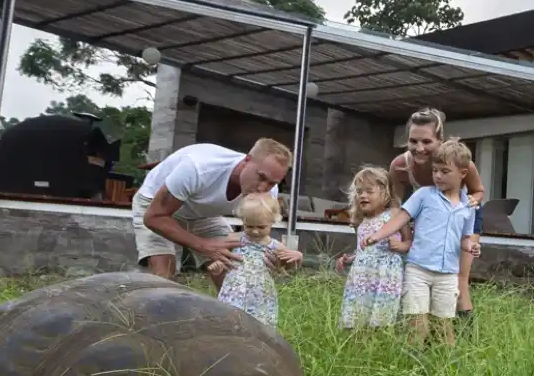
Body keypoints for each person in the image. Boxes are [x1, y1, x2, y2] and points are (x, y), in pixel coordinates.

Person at [133, 137, 301, 290]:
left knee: (232, 271)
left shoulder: (269, 192)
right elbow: (153, 217)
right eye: (261, 177)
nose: (263, 188)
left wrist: (275, 256)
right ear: (246, 160)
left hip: (204, 213)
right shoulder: (198, 168)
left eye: (272, 183)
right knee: (164, 277)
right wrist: (203, 246)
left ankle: (232, 319)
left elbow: (258, 236)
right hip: (156, 207)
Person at [362, 139, 482, 345]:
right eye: (435, 170)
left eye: (445, 171)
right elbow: (401, 217)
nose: (437, 176)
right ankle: (411, 369)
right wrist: (378, 235)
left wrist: (471, 246)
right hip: (418, 270)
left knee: (444, 329)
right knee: (417, 327)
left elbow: (464, 239)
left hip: (447, 275)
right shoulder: (424, 195)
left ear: (462, 173)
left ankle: (445, 370)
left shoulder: (468, 206)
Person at [389, 108, 485, 325]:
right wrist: (407, 235)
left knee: (458, 279)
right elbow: (395, 204)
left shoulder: (461, 163)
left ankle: (466, 337)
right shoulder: (400, 165)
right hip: (429, 216)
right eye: (413, 141)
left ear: (440, 140)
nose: (419, 148)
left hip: (461, 216)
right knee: (421, 273)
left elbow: (478, 190)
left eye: (426, 141)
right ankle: (425, 330)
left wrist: (471, 203)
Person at [333, 166, 410, 332]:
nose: (363, 195)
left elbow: (410, 242)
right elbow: (363, 250)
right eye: (359, 192)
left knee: (381, 318)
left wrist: (400, 246)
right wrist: (349, 259)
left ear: (385, 192)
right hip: (362, 277)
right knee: (359, 316)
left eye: (369, 191)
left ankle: (380, 344)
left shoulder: (394, 214)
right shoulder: (361, 221)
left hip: (385, 275)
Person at [214, 192, 292, 328]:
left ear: (272, 222)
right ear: (242, 221)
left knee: (259, 325)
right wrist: (218, 264)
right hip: (234, 291)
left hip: (260, 294)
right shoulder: (234, 240)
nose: (255, 231)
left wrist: (292, 259)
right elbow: (222, 257)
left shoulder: (276, 247)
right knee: (230, 322)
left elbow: (286, 267)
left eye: (261, 227)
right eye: (249, 226)